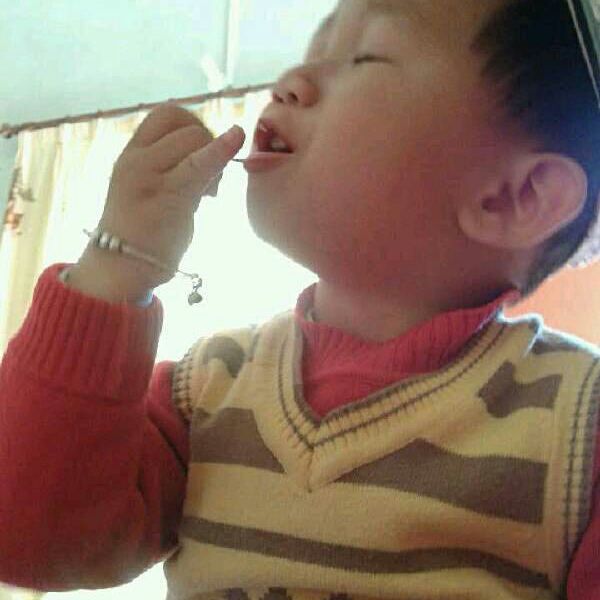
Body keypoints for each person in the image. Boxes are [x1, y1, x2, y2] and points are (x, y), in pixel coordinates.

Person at [1, 0, 599, 598]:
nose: (290, 81)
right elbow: (26, 538)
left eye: (366, 56)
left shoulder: (579, 427)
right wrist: (116, 265)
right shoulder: (205, 390)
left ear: (512, 198)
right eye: (311, 54)